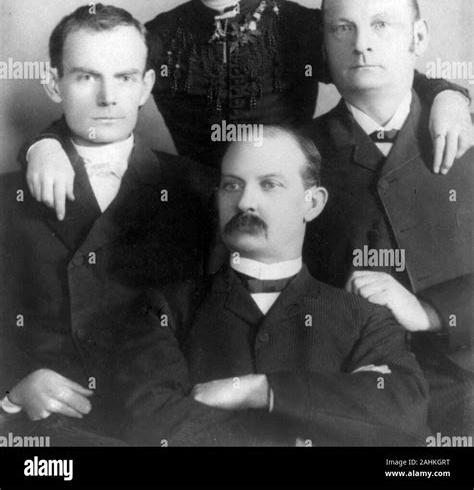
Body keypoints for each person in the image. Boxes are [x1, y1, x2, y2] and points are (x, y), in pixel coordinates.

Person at [24, 0, 472, 217]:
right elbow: (96, 94)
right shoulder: (158, 38)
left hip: (297, 209)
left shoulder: (300, 27)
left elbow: (380, 68)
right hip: (193, 213)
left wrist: (449, 95)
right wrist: (45, 144)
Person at [118, 126, 430, 446]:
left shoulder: (366, 317)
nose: (244, 202)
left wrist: (260, 390)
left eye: (270, 184)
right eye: (232, 185)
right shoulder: (163, 308)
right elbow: (151, 420)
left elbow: (404, 416)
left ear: (313, 203)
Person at [0, 4, 216, 445]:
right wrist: (12, 390)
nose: (107, 97)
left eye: (124, 77)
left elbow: (221, 320)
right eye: (85, 77)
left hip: (163, 426)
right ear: (54, 85)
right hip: (48, 430)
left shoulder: (198, 190)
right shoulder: (7, 199)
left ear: (145, 87)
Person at [303, 0, 473, 435]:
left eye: (382, 24)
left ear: (418, 35)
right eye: (343, 28)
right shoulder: (297, 154)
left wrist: (432, 312)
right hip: (349, 394)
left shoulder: (467, 136)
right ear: (324, 45)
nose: (361, 44)